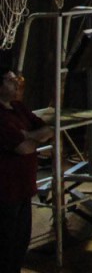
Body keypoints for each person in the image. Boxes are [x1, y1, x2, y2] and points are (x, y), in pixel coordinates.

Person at [0, 67, 51, 273]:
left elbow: (48, 130)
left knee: (20, 244)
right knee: (5, 248)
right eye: (11, 80)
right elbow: (23, 148)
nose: (17, 83)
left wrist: (28, 136)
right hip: (6, 193)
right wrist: (33, 138)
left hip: (24, 189)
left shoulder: (18, 107)